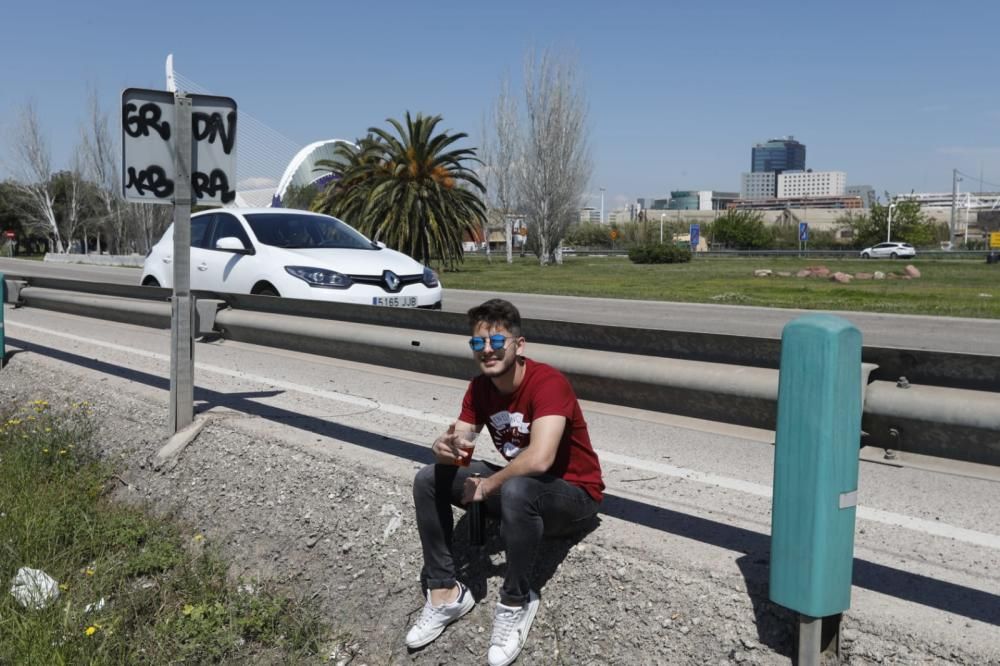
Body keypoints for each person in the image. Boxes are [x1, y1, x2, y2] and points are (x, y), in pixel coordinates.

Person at [406, 298, 604, 666]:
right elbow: (461, 449)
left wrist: (487, 486)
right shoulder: (480, 388)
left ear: (518, 345)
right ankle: (446, 592)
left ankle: (516, 600)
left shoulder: (548, 383)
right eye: (478, 344)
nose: (488, 351)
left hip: (574, 496)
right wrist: (442, 448)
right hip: (525, 495)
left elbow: (541, 458)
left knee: (513, 487)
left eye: (497, 342)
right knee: (429, 479)